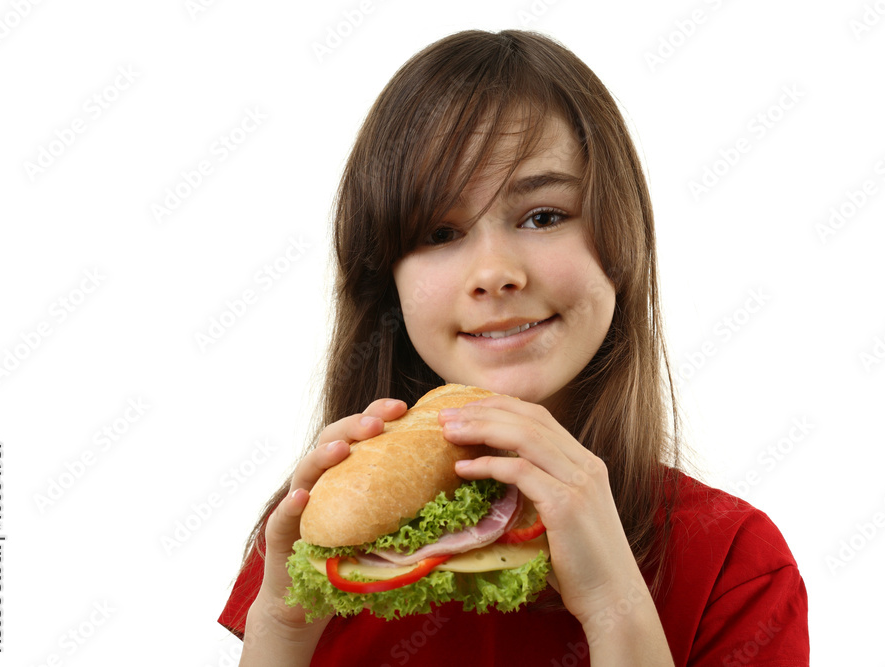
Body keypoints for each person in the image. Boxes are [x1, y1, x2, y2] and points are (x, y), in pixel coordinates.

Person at [219, 29, 809, 666]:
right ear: (386, 280)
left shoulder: (735, 564)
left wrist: (615, 604)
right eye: (440, 230)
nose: (494, 271)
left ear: (624, 241)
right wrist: (278, 630)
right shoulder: (324, 544)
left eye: (544, 216)